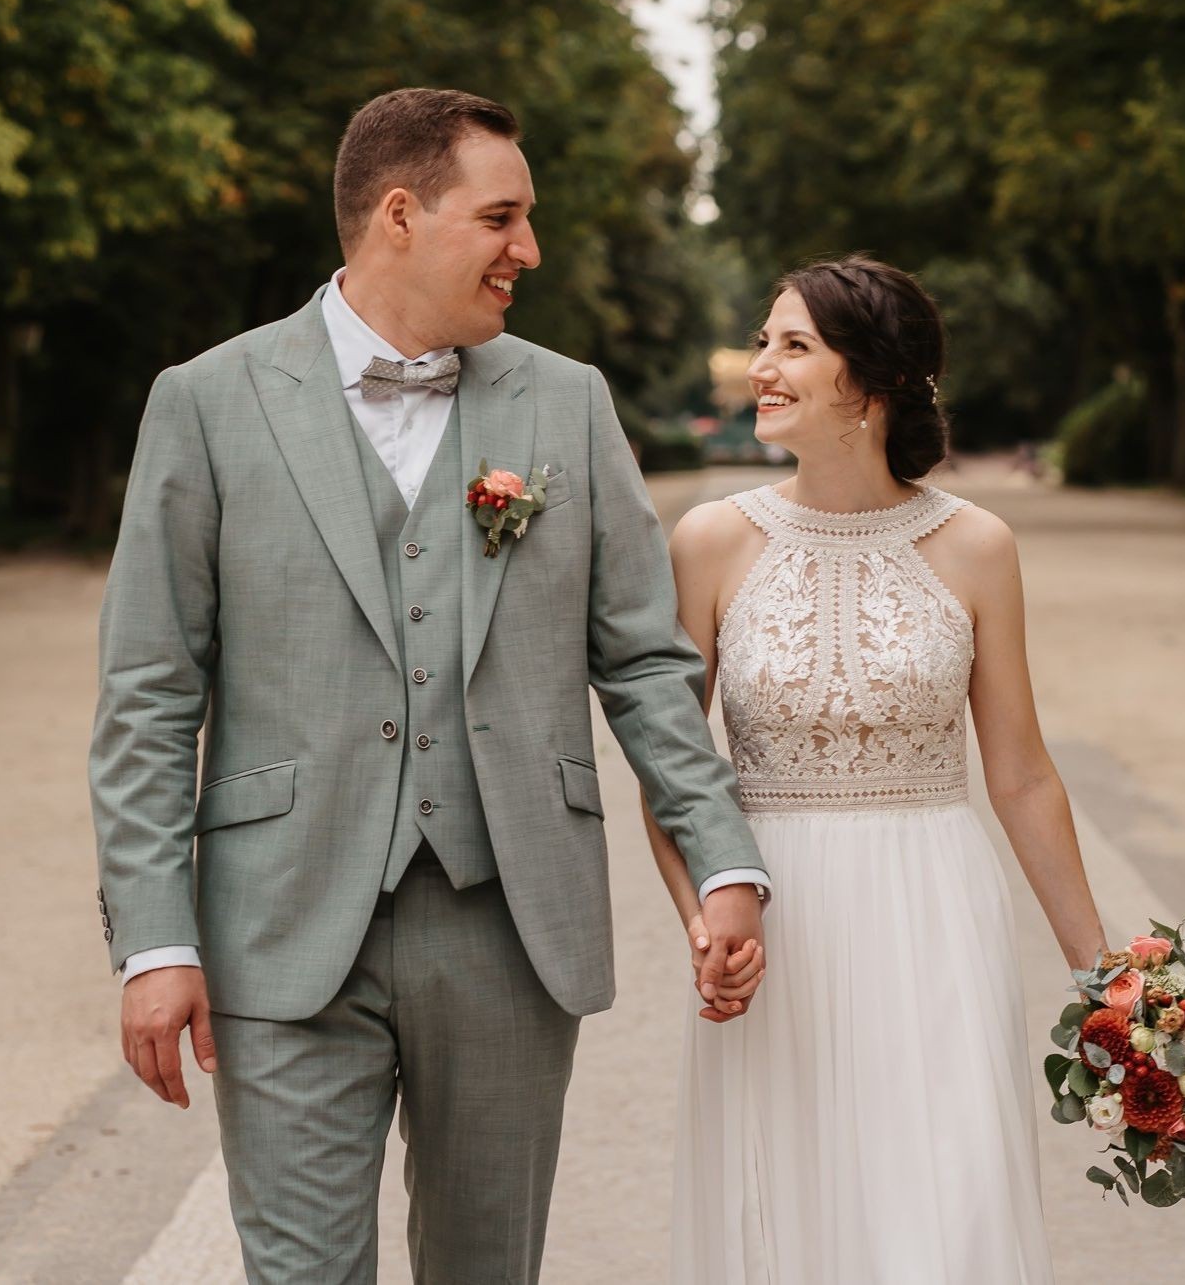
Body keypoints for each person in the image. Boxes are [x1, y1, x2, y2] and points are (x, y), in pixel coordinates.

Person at [89, 86, 770, 1284]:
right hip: (279, 926)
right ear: (399, 214)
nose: (530, 251)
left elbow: (648, 663)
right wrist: (153, 941)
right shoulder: (204, 403)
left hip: (510, 921)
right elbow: (150, 697)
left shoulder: (565, 401)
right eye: (502, 217)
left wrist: (722, 860)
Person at [646, 255, 1107, 1282]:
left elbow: (1023, 776)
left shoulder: (977, 546)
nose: (762, 365)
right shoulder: (713, 542)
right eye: (766, 340)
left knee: (945, 1216)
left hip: (934, 914)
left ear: (874, 381)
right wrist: (702, 916)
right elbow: (674, 771)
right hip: (774, 920)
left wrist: (1105, 979)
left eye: (794, 346)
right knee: (787, 1221)